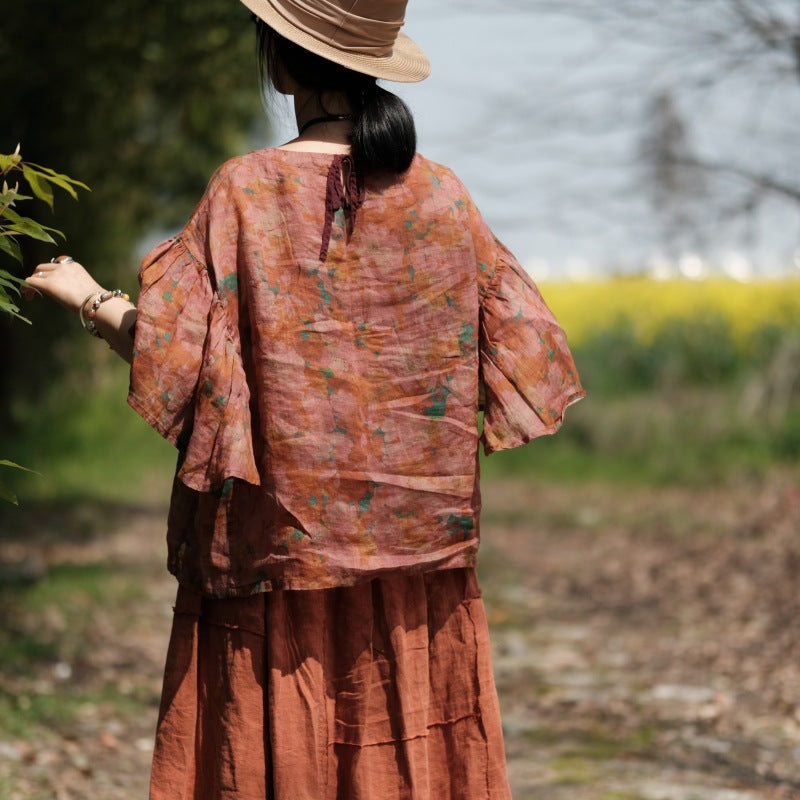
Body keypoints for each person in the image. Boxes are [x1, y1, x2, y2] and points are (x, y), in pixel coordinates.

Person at [27, 1, 584, 797]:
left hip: (274, 563)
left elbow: (180, 362)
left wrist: (91, 301)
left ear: (283, 65)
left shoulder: (245, 193)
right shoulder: (445, 200)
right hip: (415, 576)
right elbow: (531, 346)